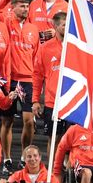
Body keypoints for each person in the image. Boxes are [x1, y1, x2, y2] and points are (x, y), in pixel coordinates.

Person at [0, 0, 40, 171]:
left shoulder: (33, 29)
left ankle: (24, 156)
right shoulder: (6, 25)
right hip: (9, 79)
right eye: (22, 6)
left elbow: (37, 55)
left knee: (28, 121)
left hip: (28, 80)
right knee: (6, 121)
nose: (25, 9)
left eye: (27, 6)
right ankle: (6, 159)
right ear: (13, 8)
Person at [32, 11, 69, 154]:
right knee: (54, 139)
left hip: (73, 101)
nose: (67, 27)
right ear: (56, 26)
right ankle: (52, 173)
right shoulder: (45, 48)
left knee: (72, 139)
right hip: (53, 103)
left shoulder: (77, 46)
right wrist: (35, 100)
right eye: (64, 25)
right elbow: (37, 75)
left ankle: (67, 169)